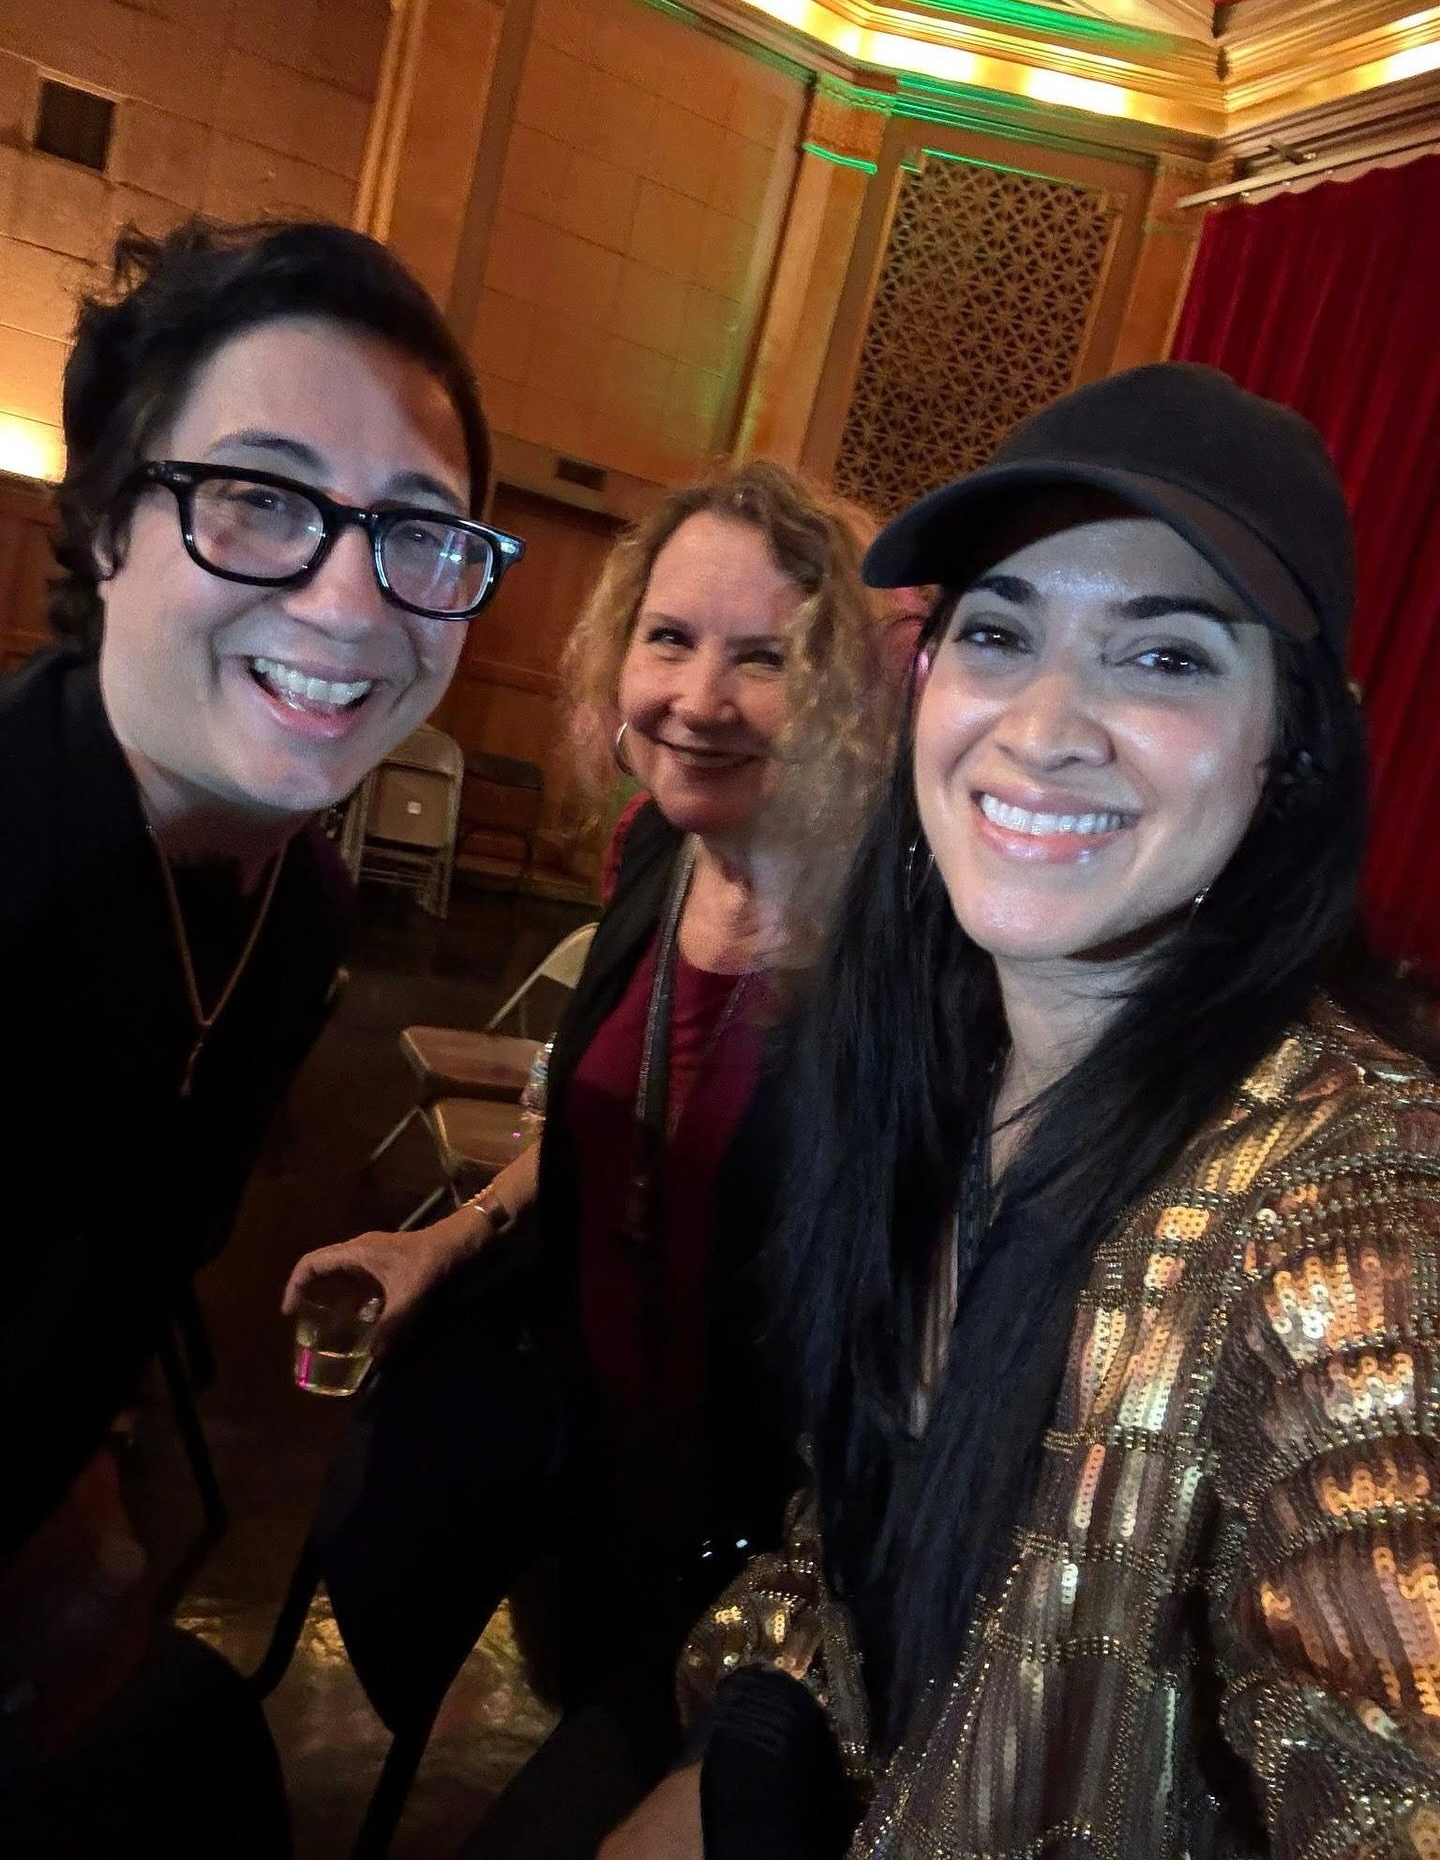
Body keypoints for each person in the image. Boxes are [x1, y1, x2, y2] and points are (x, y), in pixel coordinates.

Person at [607, 364, 1440, 1858]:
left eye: (1165, 657)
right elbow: (852, 1547)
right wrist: (739, 1747)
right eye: (998, 634)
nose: (1045, 727)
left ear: (1297, 744)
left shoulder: (1356, 1204)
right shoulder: (918, 1065)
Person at [282, 460, 896, 1852]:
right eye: (668, 637)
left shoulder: (896, 951)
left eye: (765, 658)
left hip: (764, 1556)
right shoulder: (653, 853)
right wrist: (442, 1240)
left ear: (847, 692)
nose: (697, 697)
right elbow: (597, 1126)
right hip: (595, 1474)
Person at [0, 215, 515, 1847]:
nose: (352, 602)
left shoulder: (296, 918)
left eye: (419, 533)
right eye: (261, 499)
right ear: (108, 523)